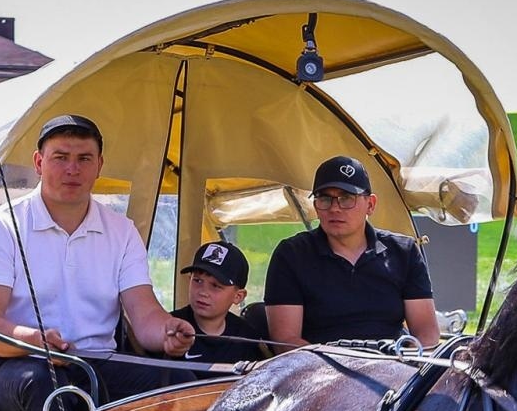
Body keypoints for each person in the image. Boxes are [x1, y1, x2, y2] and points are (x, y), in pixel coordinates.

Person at [0, 113, 196, 411]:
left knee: (179, 382)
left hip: (94, 363)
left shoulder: (121, 231)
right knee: (50, 386)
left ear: (99, 166)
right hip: (15, 366)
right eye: (60, 157)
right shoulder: (0, 227)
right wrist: (34, 341)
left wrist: (167, 333)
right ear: (38, 163)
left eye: (83, 158)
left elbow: (144, 314)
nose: (72, 169)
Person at [264, 155, 439, 349]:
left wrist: (404, 364)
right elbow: (284, 341)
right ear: (315, 205)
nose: (335, 208)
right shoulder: (291, 255)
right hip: (317, 370)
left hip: (394, 368)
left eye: (346, 199)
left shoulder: (403, 252)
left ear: (370, 205)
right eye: (325, 199)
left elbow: (427, 335)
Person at [165, 240, 263, 375]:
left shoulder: (246, 337)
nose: (203, 292)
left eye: (216, 286)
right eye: (197, 281)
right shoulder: (171, 327)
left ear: (238, 296)